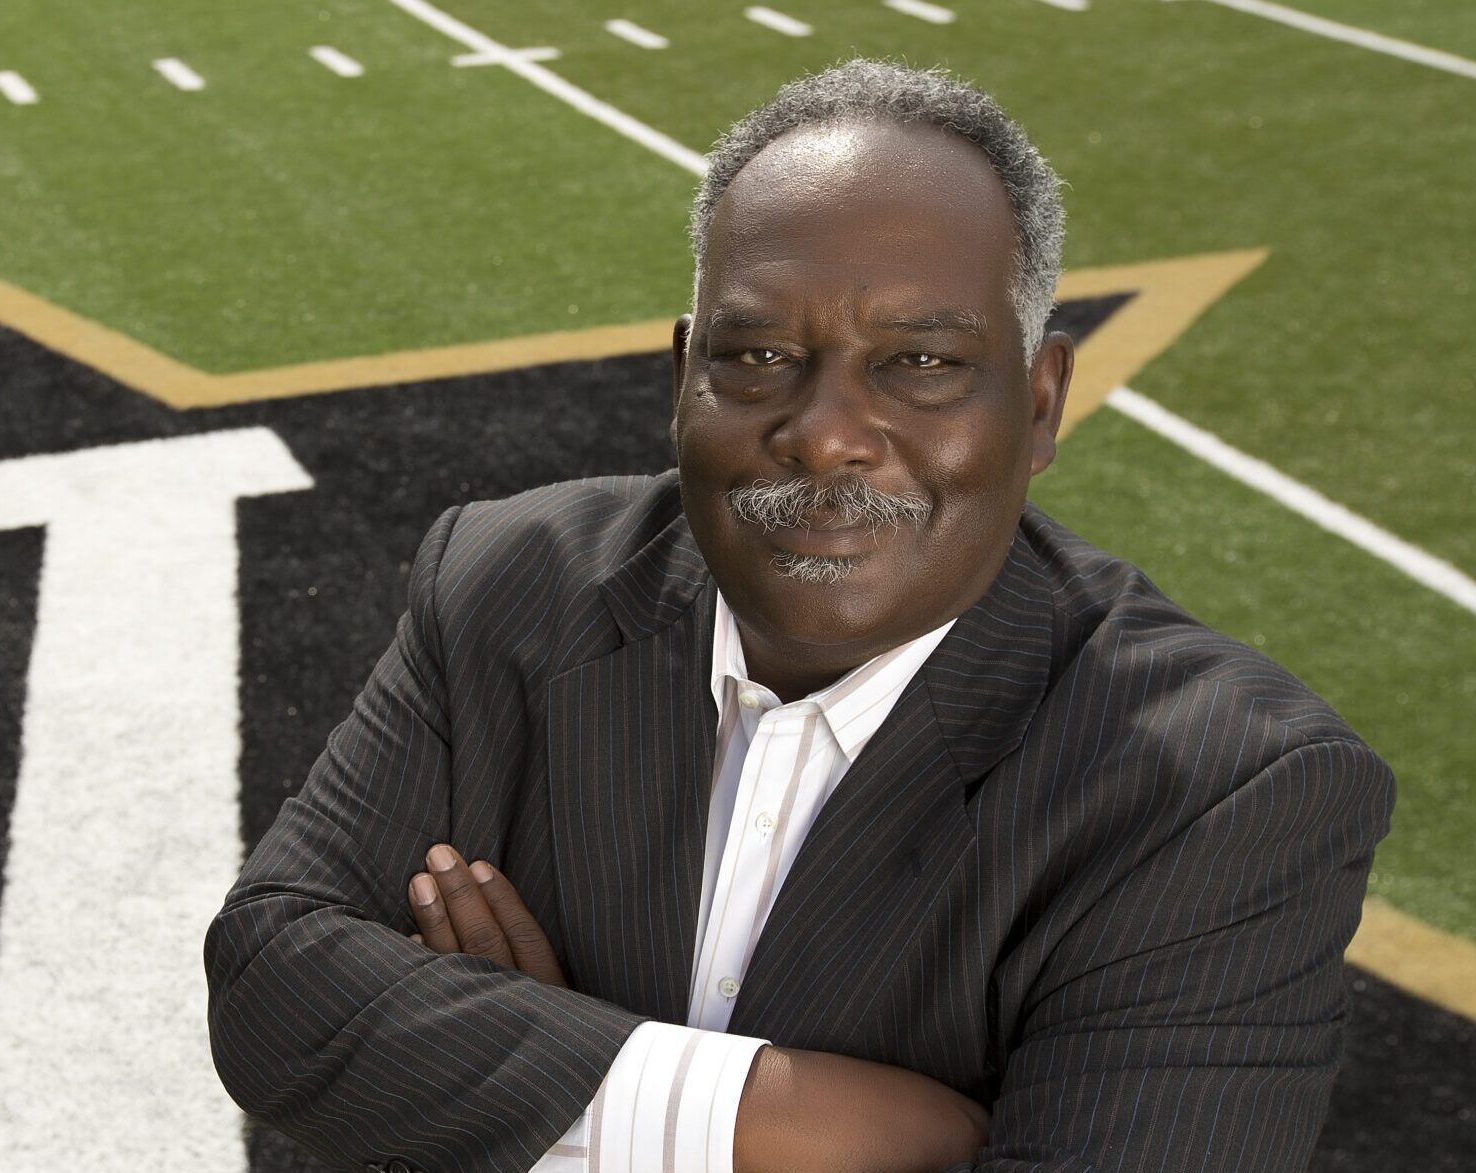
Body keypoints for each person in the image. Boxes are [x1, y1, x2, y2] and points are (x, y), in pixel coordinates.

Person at [203, 59, 1393, 1173]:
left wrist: (533, 1073)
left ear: (1037, 406)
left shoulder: (1225, 788)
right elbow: (268, 985)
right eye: (759, 354)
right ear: (683, 382)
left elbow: (342, 1043)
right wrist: (761, 1120)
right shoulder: (507, 580)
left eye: (919, 363)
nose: (824, 430)